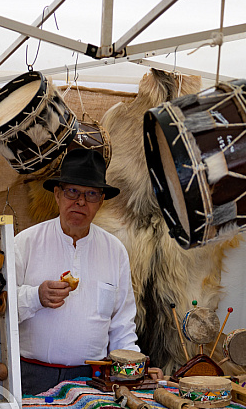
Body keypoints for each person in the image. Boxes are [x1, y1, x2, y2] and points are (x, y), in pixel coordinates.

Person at [15, 149, 158, 396]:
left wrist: (136, 368)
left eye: (91, 194)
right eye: (73, 191)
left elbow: (123, 325)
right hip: (32, 376)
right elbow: (0, 311)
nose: (81, 202)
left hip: (93, 379)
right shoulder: (25, 243)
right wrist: (36, 297)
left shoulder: (115, 251)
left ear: (101, 201)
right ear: (57, 195)